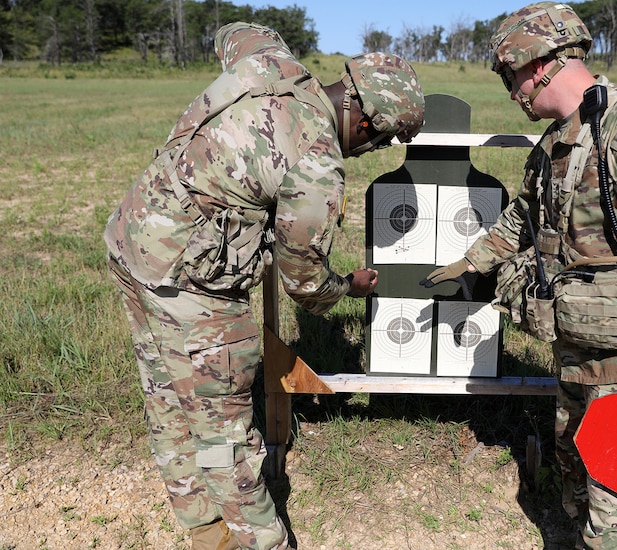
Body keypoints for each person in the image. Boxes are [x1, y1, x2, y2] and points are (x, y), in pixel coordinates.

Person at [104, 22, 424, 550]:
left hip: (132, 239)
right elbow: (304, 281)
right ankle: (260, 541)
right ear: (364, 121)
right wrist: (349, 287)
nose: (372, 150)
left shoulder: (271, 61)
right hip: (190, 285)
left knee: (167, 395)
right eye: (381, 140)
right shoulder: (318, 164)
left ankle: (205, 530)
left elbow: (235, 30)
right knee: (224, 428)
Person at [422, 3, 617, 548]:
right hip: (576, 350)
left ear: (540, 62)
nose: (509, 91)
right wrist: (474, 261)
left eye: (508, 75)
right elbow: (525, 215)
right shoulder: (555, 144)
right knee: (576, 484)